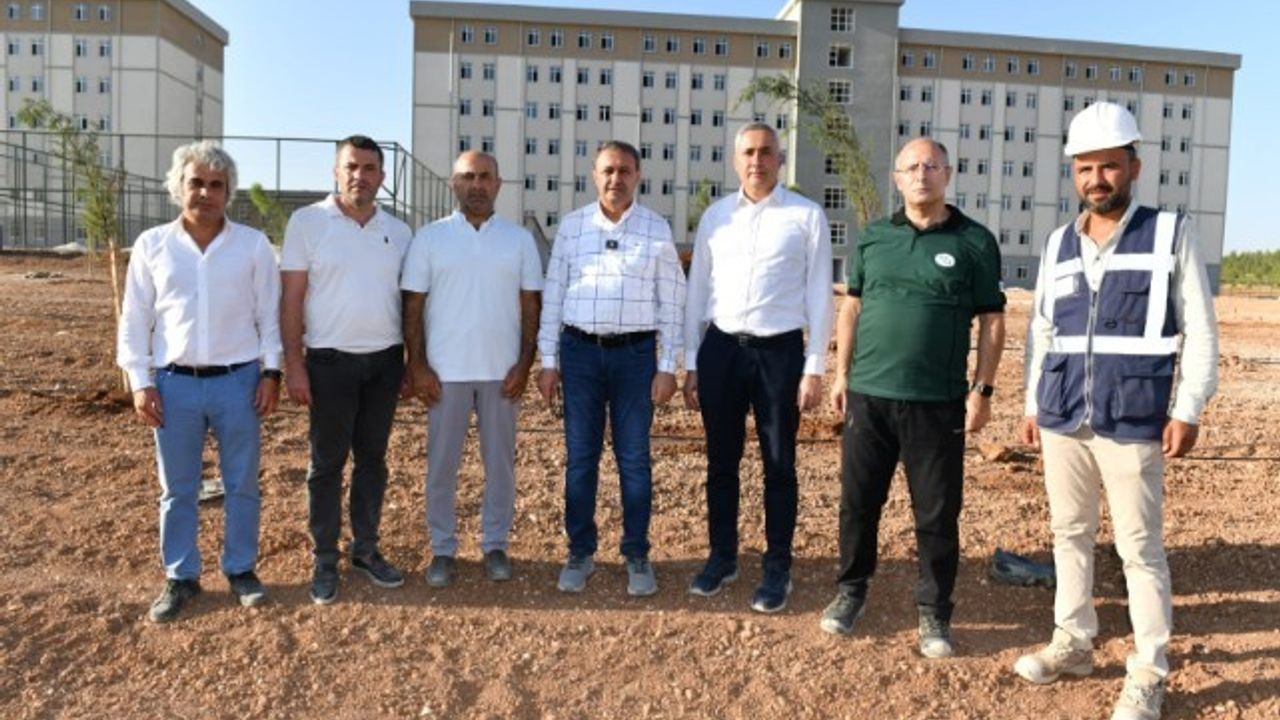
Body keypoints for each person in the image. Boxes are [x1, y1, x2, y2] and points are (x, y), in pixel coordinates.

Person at [1013, 102, 1218, 720]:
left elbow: (1201, 329)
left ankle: (1149, 671)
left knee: (1139, 549)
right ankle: (1074, 642)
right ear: (1073, 172)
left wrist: (1188, 407)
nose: (1096, 179)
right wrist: (1032, 403)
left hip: (1133, 416)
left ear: (1134, 167)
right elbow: (1041, 330)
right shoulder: (1058, 242)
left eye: (1108, 166)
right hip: (1063, 415)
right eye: (1084, 168)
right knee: (1069, 534)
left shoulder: (1170, 233)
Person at [816, 137, 1006, 658]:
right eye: (911, 167)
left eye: (931, 166)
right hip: (869, 396)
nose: (921, 174)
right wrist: (841, 375)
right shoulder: (875, 238)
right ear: (897, 179)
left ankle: (934, 613)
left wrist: (982, 390)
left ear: (948, 173)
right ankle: (851, 591)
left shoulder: (974, 242)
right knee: (858, 504)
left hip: (937, 401)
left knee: (937, 514)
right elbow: (852, 307)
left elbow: (992, 320)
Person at [117, 140, 281, 623]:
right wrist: (140, 382)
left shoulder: (252, 245)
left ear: (228, 192)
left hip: (239, 382)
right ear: (178, 186)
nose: (205, 193)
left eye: (216, 185)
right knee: (177, 487)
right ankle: (181, 575)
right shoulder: (152, 246)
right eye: (196, 183)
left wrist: (271, 372)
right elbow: (135, 318)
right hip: (174, 386)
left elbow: (269, 315)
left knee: (242, 482)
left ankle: (241, 569)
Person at [683, 122, 833, 613]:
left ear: (779, 160)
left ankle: (777, 566)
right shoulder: (716, 217)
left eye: (766, 152)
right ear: (735, 160)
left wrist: (814, 366)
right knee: (721, 463)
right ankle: (722, 557)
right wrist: (691, 361)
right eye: (748, 152)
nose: (757, 161)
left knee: (779, 464)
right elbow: (697, 291)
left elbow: (819, 292)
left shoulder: (806, 216)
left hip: (779, 354)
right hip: (722, 349)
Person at [536, 140, 686, 597]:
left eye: (624, 170)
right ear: (594, 175)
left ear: (637, 176)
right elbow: (553, 295)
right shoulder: (573, 226)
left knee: (634, 459)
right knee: (581, 458)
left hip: (635, 359)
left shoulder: (656, 228)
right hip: (579, 354)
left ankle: (636, 553)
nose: (615, 179)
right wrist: (548, 362)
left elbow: (672, 302)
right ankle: (580, 552)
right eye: (607, 170)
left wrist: (667, 366)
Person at [281, 135, 414, 605]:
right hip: (328, 363)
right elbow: (291, 299)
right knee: (327, 464)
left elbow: (410, 303)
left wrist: (412, 363)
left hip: (384, 363)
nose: (360, 176)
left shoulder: (400, 232)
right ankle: (324, 556)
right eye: (351, 167)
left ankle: (366, 548)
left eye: (369, 168)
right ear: (336, 172)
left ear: (382, 176)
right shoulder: (307, 223)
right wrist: (293, 365)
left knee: (373, 461)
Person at [401, 151, 543, 587]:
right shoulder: (429, 238)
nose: (476, 185)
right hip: (445, 373)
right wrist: (417, 365)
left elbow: (531, 304)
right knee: (441, 467)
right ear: (453, 183)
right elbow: (413, 304)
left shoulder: (519, 240)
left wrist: (525, 363)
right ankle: (443, 549)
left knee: (500, 466)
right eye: (467, 176)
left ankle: (495, 544)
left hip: (502, 373)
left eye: (484, 177)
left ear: (498, 184)